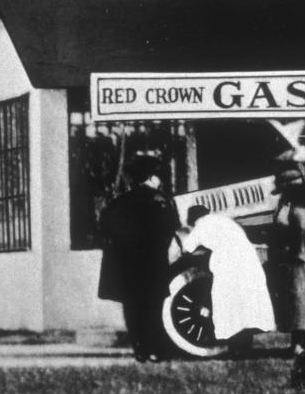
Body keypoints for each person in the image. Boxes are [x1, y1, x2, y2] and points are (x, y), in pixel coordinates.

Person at [96, 151, 179, 362]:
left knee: (132, 309)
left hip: (126, 269)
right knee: (153, 308)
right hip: (152, 265)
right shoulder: (160, 201)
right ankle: (155, 349)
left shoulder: (118, 203)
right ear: (152, 177)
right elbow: (170, 229)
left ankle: (140, 349)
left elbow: (104, 228)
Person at [179, 205, 276, 348]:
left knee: (229, 304)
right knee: (247, 305)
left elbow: (186, 247)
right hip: (248, 261)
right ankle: (246, 345)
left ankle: (234, 345)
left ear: (193, 219)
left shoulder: (201, 225)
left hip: (229, 265)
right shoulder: (225, 221)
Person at [271, 160, 305, 343]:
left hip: (299, 259)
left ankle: (302, 344)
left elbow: (300, 231)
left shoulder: (296, 208)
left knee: (301, 304)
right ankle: (302, 343)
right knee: (303, 304)